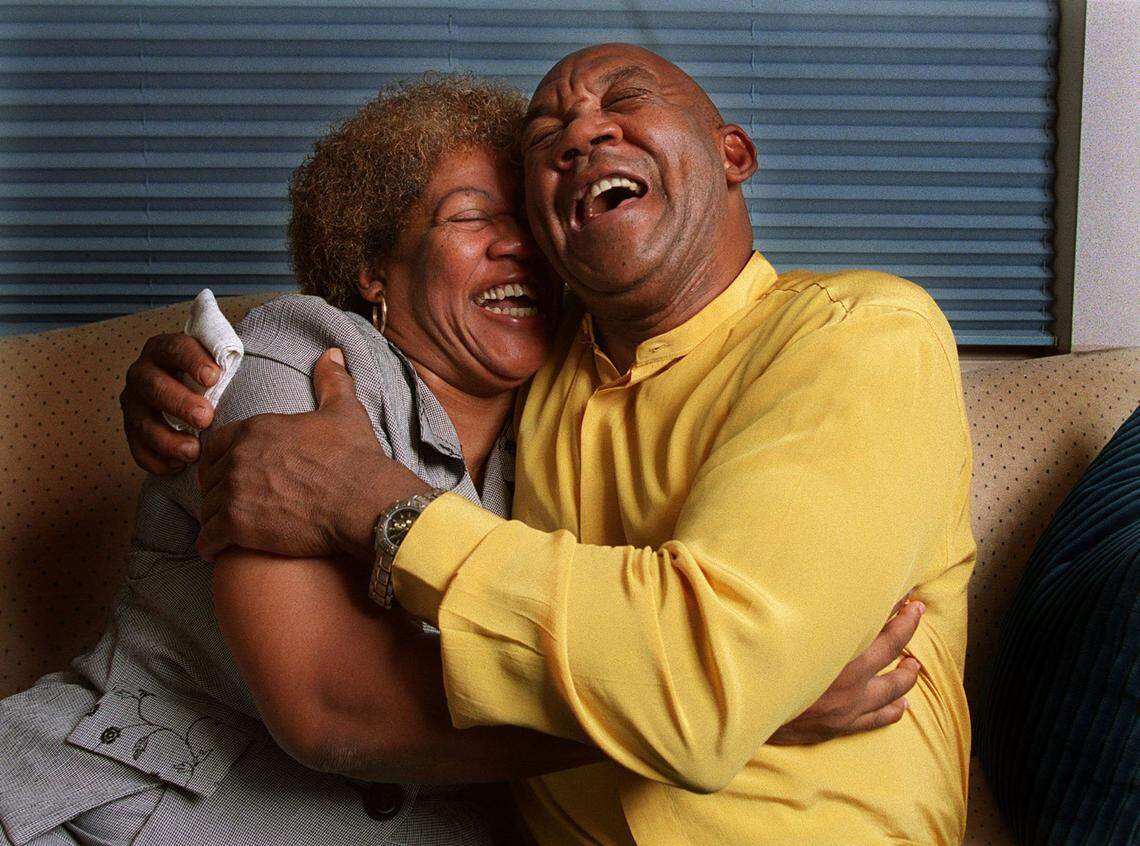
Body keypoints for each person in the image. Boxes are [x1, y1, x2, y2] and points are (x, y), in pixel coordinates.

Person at [2, 72, 917, 846]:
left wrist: (719, 691)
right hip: (112, 814)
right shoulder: (300, 356)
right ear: (373, 270)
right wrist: (727, 716)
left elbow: (681, 622)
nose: (521, 243)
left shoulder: (576, 430)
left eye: (534, 223)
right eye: (475, 218)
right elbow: (332, 706)